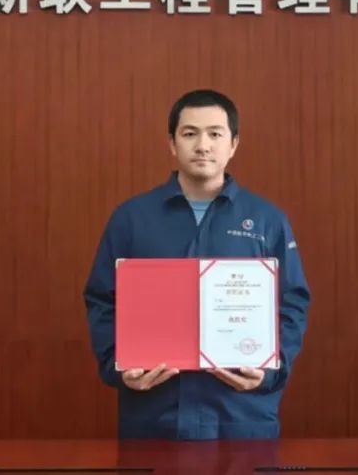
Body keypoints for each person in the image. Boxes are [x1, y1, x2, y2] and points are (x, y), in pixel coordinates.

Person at [83, 89, 311, 440]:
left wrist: (270, 370)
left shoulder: (267, 220)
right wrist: (119, 364)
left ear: (233, 144)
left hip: (241, 413)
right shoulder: (131, 219)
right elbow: (102, 299)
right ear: (172, 144)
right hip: (154, 413)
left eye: (215, 134)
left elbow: (292, 302)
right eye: (190, 133)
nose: (203, 145)